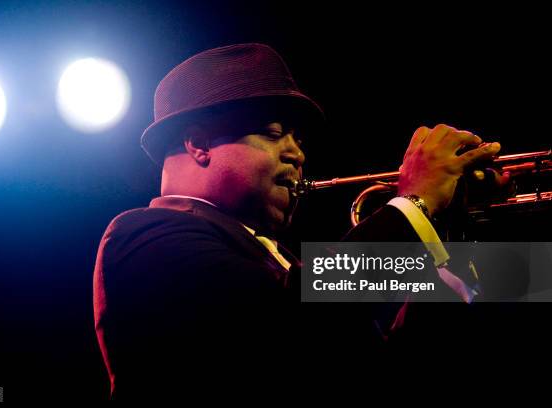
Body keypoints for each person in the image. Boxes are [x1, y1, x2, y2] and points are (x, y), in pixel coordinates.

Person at [93, 43, 503, 399]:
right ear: (199, 144)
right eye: (274, 133)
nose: (297, 154)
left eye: (299, 140)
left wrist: (451, 227)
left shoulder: (279, 261)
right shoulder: (143, 236)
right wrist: (414, 203)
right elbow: (295, 323)